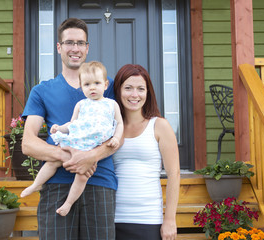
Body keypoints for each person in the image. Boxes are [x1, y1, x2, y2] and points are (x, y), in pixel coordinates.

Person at [21, 18, 119, 239]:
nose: (75, 48)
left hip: (99, 180)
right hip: (56, 184)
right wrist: (71, 157)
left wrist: (91, 156)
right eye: (69, 42)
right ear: (59, 47)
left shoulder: (108, 86)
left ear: (87, 48)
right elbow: (28, 143)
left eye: (81, 43)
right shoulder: (42, 91)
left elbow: (119, 134)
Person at [20, 61, 123, 217]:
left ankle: (68, 203)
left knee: (82, 175)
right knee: (52, 162)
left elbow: (120, 123)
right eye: (87, 84)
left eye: (97, 83)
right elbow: (72, 124)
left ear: (106, 84)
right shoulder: (81, 104)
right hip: (78, 141)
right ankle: (36, 184)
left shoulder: (111, 104)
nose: (92, 87)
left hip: (93, 146)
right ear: (82, 87)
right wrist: (59, 128)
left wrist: (116, 137)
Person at [113, 64, 181, 240]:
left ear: (147, 93)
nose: (134, 95)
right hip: (113, 217)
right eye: (128, 88)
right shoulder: (110, 129)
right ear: (118, 91)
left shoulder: (159, 126)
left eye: (140, 89)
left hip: (148, 219)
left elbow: (174, 175)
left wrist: (170, 219)